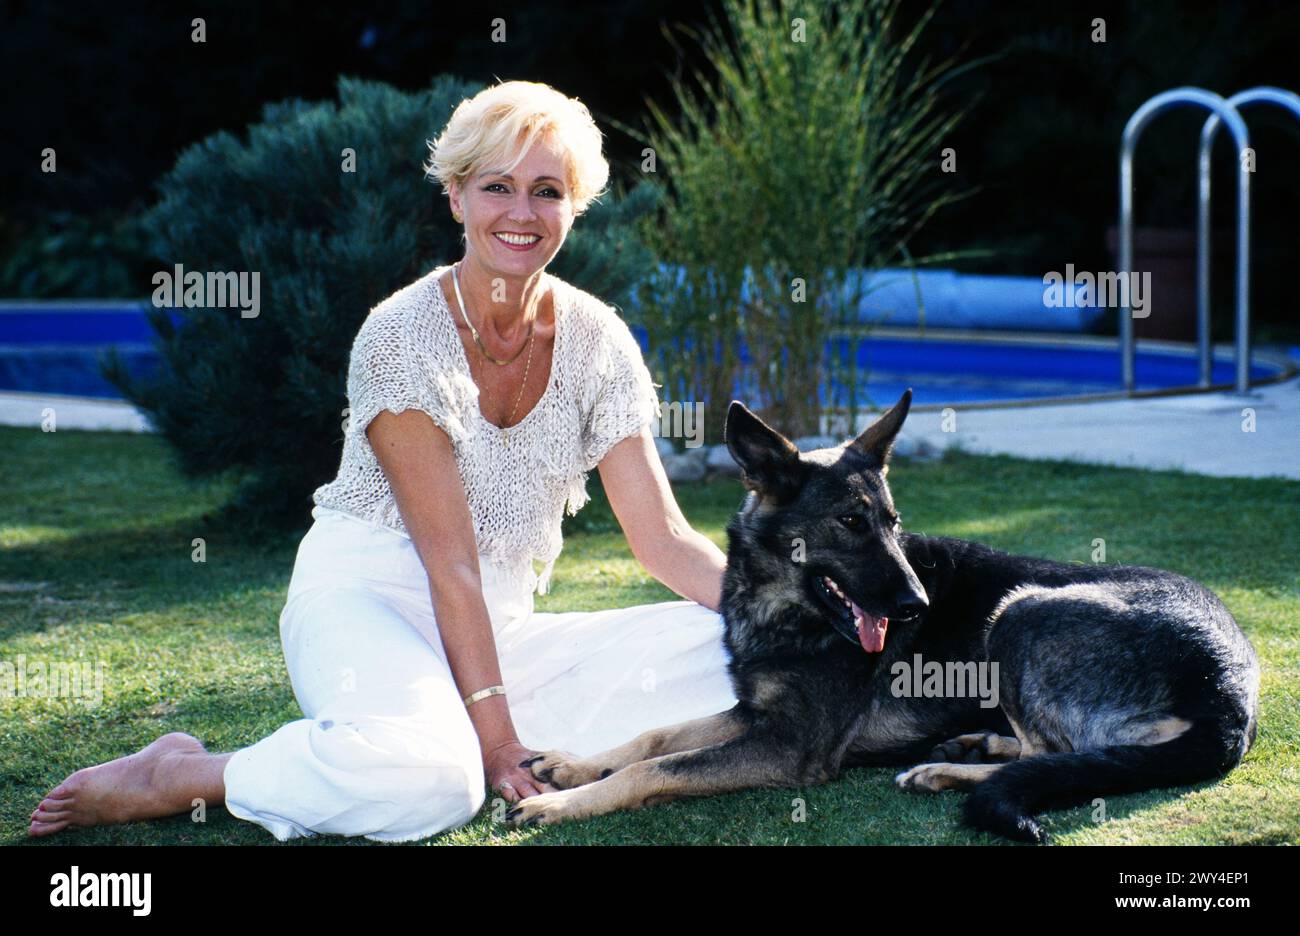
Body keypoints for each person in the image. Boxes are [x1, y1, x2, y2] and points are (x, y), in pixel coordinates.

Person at [28, 79, 737, 842]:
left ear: (575, 204)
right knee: (435, 785)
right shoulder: (401, 336)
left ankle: (450, 720)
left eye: (547, 191)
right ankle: (184, 772)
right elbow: (449, 564)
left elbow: (663, 538)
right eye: (498, 187)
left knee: (736, 648)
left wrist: (795, 614)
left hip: (500, 628)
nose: (523, 214)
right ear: (457, 196)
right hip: (371, 597)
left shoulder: (600, 341)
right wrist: (499, 746)